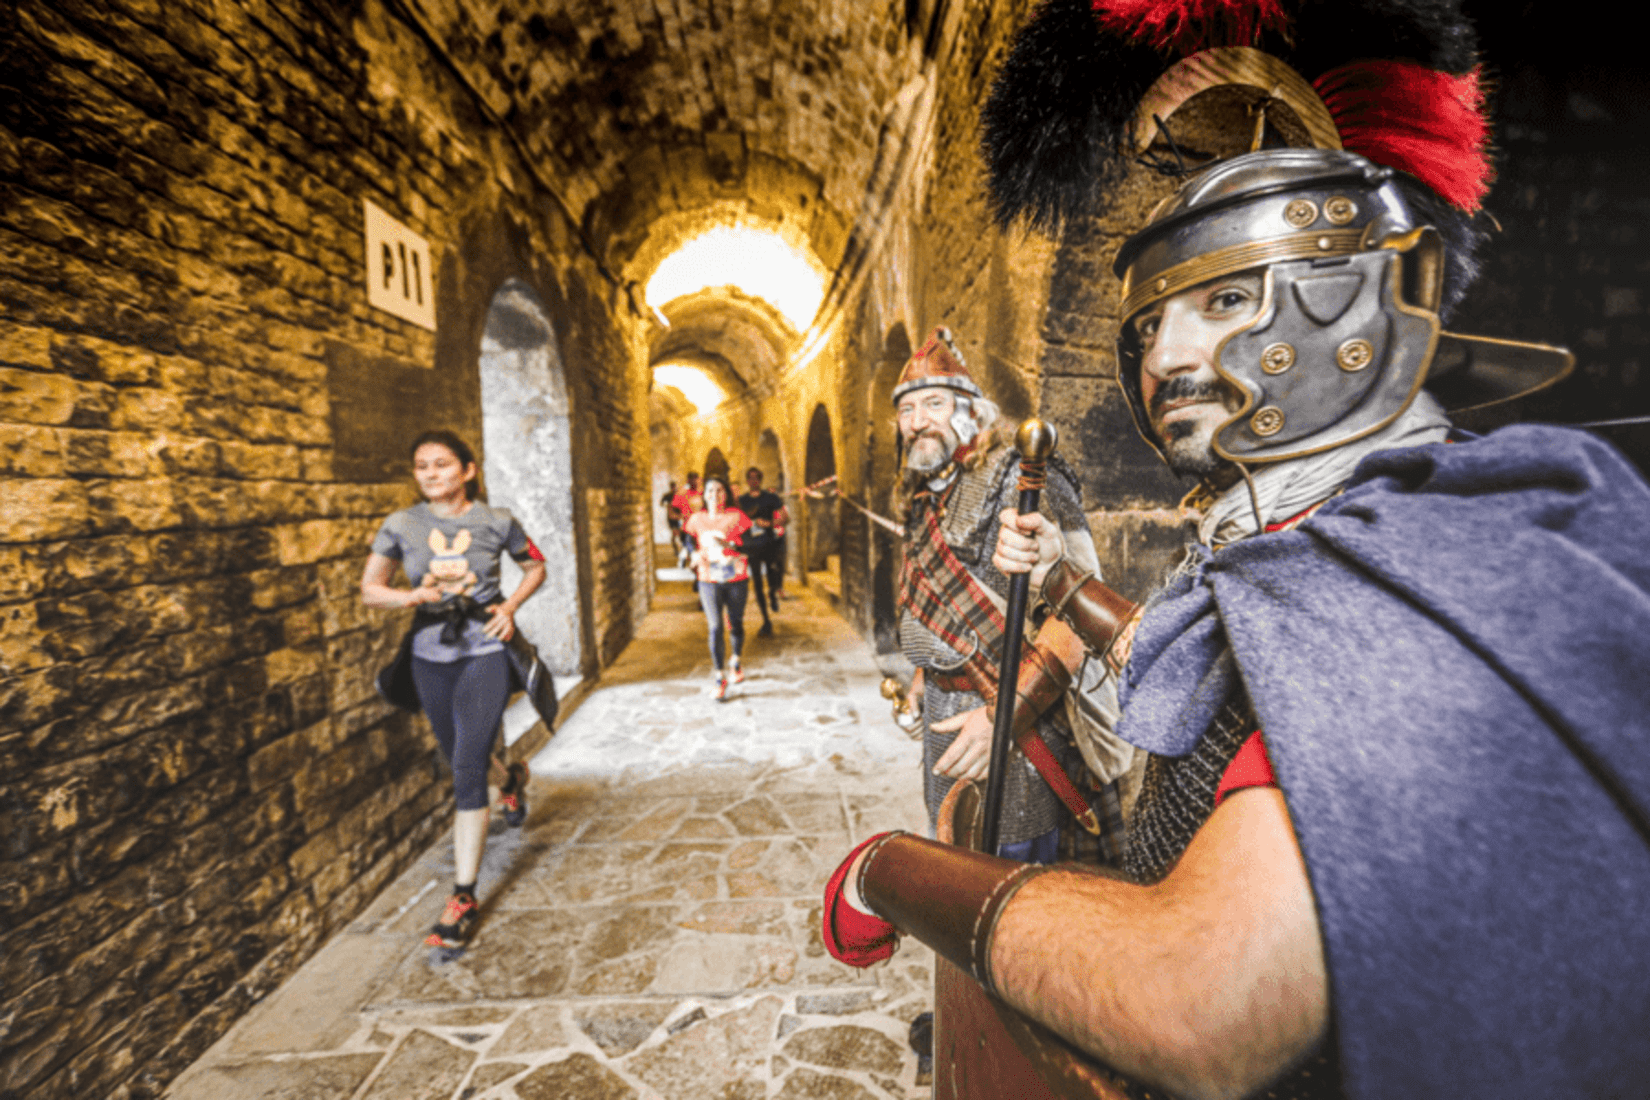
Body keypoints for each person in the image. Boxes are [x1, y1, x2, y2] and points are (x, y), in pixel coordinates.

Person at [821, 3, 1650, 1098]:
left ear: (1351, 303)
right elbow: (1222, 652)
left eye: (1221, 299)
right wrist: (1070, 587)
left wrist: (889, 870)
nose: (1164, 354)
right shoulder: (1334, 526)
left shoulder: (1414, 550)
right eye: (1153, 318)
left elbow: (1202, 996)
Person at [886, 327, 1134, 864]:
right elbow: (940, 612)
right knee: (956, 861)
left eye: (934, 402)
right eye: (907, 409)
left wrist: (1000, 722)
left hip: (1020, 728)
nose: (918, 420)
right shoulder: (922, 497)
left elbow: (1075, 621)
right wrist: (922, 680)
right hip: (945, 714)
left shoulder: (1022, 478)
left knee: (1014, 880)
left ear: (972, 411)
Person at [361, 430, 547, 950]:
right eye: (421, 466)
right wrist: (411, 597)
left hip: (484, 653)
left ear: (466, 470)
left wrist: (508, 609)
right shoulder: (401, 525)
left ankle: (462, 896)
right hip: (429, 656)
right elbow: (370, 589)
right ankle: (510, 778)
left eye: (442, 465)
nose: (430, 474)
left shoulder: (497, 521)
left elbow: (535, 566)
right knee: (460, 756)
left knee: (466, 769)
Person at [682, 475, 752, 701]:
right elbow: (689, 539)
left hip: (736, 578)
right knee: (714, 627)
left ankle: (736, 662)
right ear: (704, 494)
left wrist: (731, 546)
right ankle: (719, 679)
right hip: (708, 578)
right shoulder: (697, 519)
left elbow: (750, 543)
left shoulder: (737, 517)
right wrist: (691, 553)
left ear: (726, 494)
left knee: (735, 623)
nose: (715, 495)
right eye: (710, 490)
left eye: (720, 490)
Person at [736, 466, 789, 636]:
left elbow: (785, 518)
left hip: (769, 543)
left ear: (761, 479)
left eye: (757, 477)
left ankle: (773, 592)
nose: (754, 481)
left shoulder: (771, 497)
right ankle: (766, 620)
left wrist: (770, 524)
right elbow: (736, 522)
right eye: (750, 478)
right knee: (757, 584)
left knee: (774, 573)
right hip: (751, 547)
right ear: (747, 481)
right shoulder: (741, 501)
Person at [670, 472, 705, 568]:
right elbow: (673, 508)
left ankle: (684, 556)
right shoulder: (682, 493)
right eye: (691, 479)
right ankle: (688, 557)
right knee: (688, 542)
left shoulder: (702, 493)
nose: (694, 481)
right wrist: (679, 518)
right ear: (688, 480)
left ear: (698, 479)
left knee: (694, 544)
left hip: (701, 525)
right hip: (687, 525)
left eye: (695, 479)